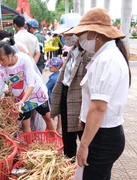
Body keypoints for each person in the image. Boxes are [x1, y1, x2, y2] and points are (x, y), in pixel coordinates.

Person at [65, 8, 131, 179]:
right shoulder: (103, 56)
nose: (79, 39)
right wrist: (83, 119)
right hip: (99, 133)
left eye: (82, 34)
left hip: (103, 137)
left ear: (95, 34)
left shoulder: (108, 59)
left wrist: (84, 145)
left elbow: (98, 108)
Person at [50, 13, 92, 160]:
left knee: (84, 136)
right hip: (67, 97)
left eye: (68, 33)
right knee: (67, 138)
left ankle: (84, 167)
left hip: (80, 101)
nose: (65, 36)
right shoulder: (72, 51)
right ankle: (69, 167)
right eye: (64, 33)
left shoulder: (88, 53)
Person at [0, 40, 56, 133]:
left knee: (47, 117)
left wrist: (22, 101)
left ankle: (54, 140)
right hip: (20, 99)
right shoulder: (1, 71)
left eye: (2, 59)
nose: (0, 63)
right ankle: (29, 145)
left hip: (36, 93)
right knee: (25, 125)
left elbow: (31, 84)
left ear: (10, 54)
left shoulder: (24, 59)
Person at [46, 57, 63, 134]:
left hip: (52, 99)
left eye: (51, 66)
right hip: (60, 98)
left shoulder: (52, 78)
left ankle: (51, 130)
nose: (49, 67)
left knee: (51, 114)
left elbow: (46, 88)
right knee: (60, 114)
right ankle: (58, 129)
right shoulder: (60, 75)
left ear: (57, 67)